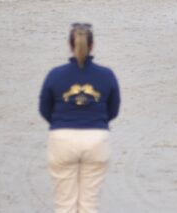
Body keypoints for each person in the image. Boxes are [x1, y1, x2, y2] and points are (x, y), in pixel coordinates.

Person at [39, 23, 120, 213]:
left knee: (64, 204)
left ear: (70, 45)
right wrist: (96, 121)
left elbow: (44, 109)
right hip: (96, 138)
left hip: (62, 137)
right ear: (92, 45)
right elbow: (113, 110)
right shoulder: (107, 75)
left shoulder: (55, 75)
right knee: (89, 204)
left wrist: (61, 123)